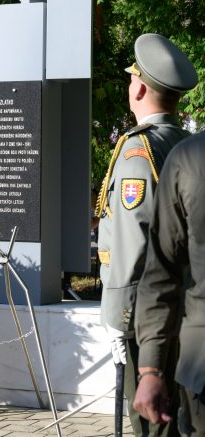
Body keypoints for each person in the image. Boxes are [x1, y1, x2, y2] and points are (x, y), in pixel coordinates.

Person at [95, 33, 198, 437]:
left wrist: (119, 318)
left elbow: (133, 238)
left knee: (151, 422)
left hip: (143, 313)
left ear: (138, 86)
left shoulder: (139, 151)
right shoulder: (184, 143)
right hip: (182, 307)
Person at [133, 131, 205, 435]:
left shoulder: (189, 157)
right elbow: (164, 270)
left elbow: (162, 271)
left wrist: (150, 367)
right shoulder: (187, 158)